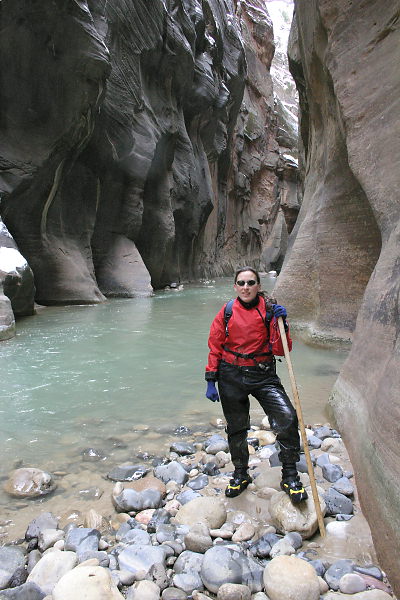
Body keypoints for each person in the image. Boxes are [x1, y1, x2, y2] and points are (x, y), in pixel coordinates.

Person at [205, 266, 307, 504]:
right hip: (230, 374)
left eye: (250, 283)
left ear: (258, 286)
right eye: (241, 283)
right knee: (236, 427)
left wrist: (283, 324)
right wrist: (211, 379)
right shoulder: (227, 311)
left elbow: (281, 350)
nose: (246, 287)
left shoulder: (270, 311)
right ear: (235, 286)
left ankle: (290, 475)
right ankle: (241, 474)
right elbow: (215, 345)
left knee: (287, 417)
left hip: (263, 374)